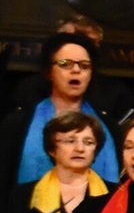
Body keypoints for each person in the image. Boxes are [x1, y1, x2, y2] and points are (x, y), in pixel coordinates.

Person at [1, 30, 120, 192]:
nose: (76, 71)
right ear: (49, 72)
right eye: (65, 64)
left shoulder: (107, 127)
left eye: (84, 66)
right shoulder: (18, 124)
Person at [7, 14, 130, 119]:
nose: (80, 47)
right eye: (73, 40)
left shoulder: (115, 92)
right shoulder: (28, 88)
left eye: (89, 43)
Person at [6, 109, 110, 213]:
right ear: (52, 150)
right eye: (70, 141)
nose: (80, 149)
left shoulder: (114, 194)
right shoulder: (23, 195)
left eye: (88, 142)